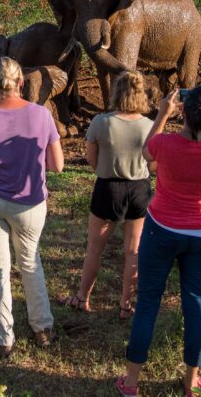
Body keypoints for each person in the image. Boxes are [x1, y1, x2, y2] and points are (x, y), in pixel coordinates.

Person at [117, 86, 201, 397]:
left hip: (162, 228)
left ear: (184, 112)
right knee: (195, 303)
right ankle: (192, 381)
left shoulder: (165, 144)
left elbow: (145, 152)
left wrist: (164, 113)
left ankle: (130, 382)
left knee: (149, 301)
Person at [0, 56, 63, 357]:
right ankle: (42, 327)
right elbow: (57, 164)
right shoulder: (42, 115)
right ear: (21, 82)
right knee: (30, 261)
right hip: (30, 202)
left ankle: (2, 339)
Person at [63, 71, 152, 318]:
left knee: (94, 248)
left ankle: (82, 298)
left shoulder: (101, 122)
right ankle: (126, 305)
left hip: (108, 188)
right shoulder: (150, 126)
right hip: (139, 189)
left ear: (116, 92)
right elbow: (153, 164)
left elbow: (92, 160)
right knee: (133, 251)